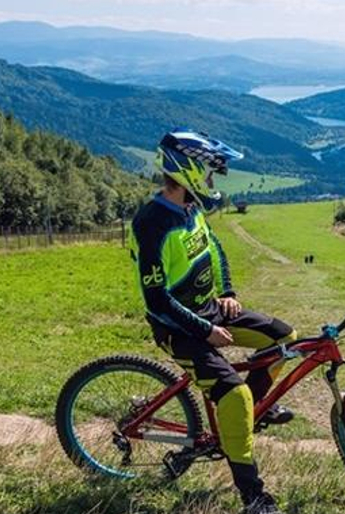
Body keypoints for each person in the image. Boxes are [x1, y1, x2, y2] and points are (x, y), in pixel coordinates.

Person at [128, 129, 297, 514]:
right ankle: (253, 496)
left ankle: (248, 415)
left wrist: (229, 292)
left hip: (210, 309)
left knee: (285, 339)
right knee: (234, 395)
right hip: (176, 328)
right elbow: (156, 300)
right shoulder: (151, 223)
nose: (211, 180)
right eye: (207, 172)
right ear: (186, 170)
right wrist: (206, 331)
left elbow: (214, 249)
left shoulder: (190, 208)